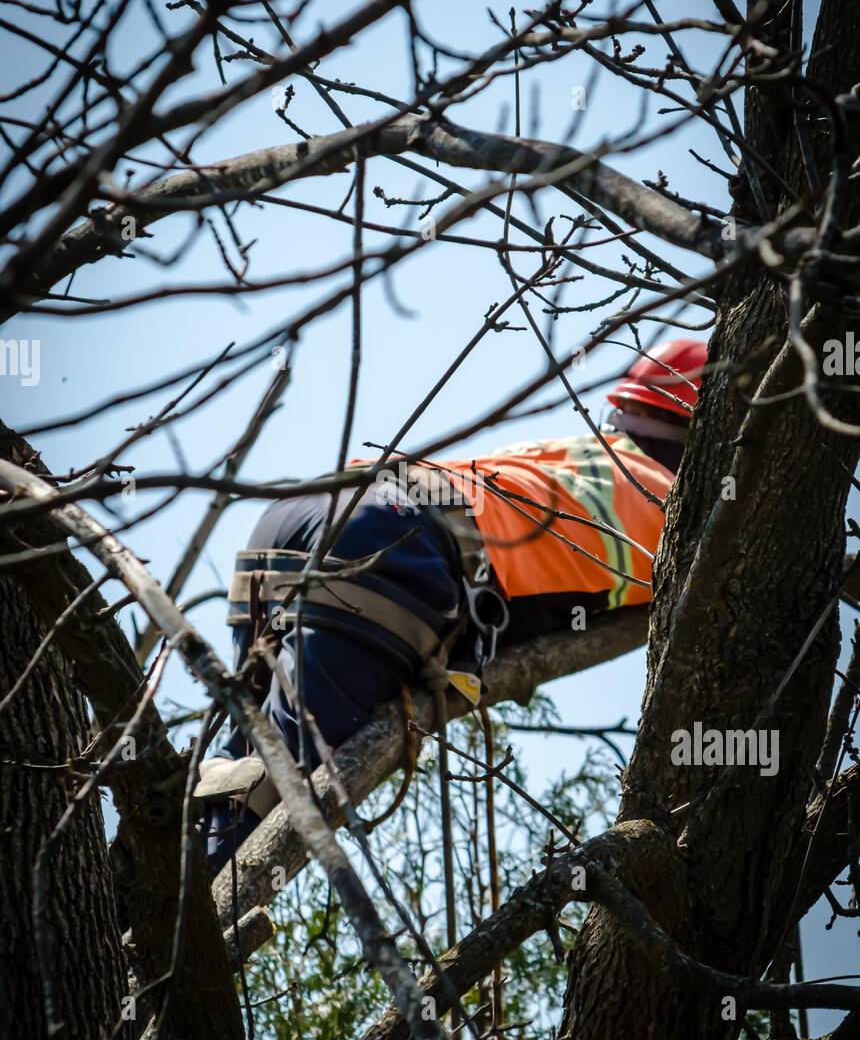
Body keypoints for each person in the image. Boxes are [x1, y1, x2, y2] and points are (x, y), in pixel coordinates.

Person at [196, 338, 707, 873]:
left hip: (307, 510)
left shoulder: (574, 457)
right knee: (280, 792)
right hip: (390, 546)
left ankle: (140, 888)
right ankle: (182, 943)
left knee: (235, 774)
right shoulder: (674, 503)